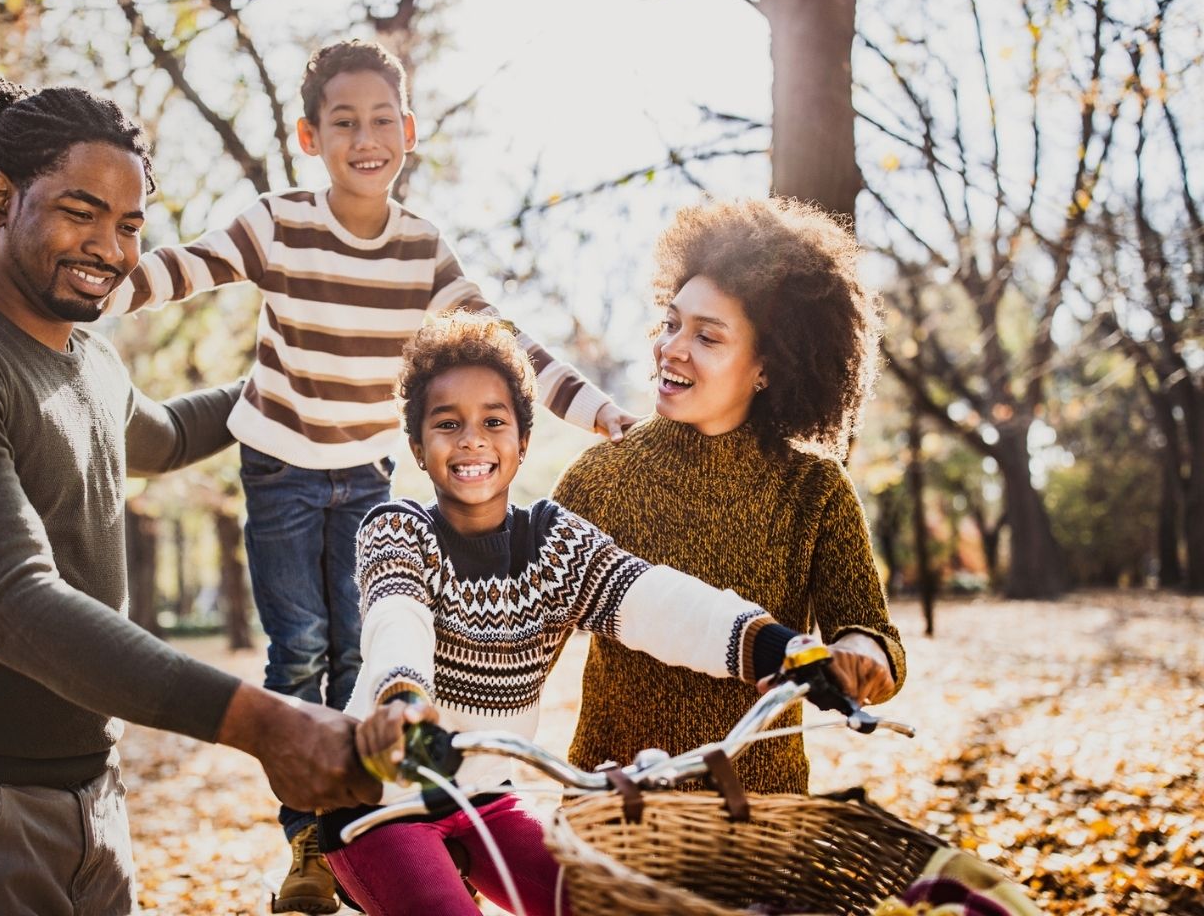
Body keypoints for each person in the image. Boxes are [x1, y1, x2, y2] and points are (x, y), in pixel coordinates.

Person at [0, 79, 379, 916]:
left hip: (85, 799)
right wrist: (263, 723)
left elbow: (169, 436)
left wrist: (317, 371)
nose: (110, 248)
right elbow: (13, 598)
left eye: (131, 225)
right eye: (82, 212)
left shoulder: (89, 360)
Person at [105, 39, 638, 911]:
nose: (365, 137)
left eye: (382, 120)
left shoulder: (424, 249)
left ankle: (371, 824)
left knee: (366, 652)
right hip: (279, 466)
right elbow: (177, 271)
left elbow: (502, 345)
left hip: (366, 474)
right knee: (299, 648)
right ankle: (309, 843)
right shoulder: (278, 222)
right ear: (311, 138)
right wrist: (85, 283)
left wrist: (596, 409)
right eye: (344, 121)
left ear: (410, 132)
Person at [315, 311, 895, 915]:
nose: (471, 440)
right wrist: (403, 698)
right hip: (379, 803)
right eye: (447, 424)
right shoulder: (396, 531)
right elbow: (396, 621)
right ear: (417, 446)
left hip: (486, 797)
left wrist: (782, 650)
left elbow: (656, 601)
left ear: (522, 443)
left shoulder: (553, 543)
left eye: (494, 421)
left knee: (609, 903)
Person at [556, 197, 906, 797]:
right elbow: (515, 636)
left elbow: (872, 634)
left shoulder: (814, 489)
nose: (672, 348)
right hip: (615, 809)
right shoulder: (600, 476)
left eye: (707, 337)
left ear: (767, 367)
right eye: (671, 323)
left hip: (759, 814)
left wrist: (859, 653)